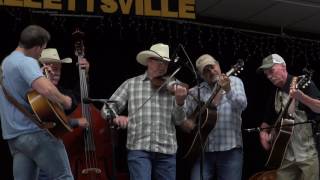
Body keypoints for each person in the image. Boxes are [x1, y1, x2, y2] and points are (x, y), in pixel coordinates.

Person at [0, 25, 83, 180]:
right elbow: (46, 90)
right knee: (63, 177)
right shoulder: (26, 62)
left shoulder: (6, 63)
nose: (40, 54)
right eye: (42, 49)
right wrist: (65, 100)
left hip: (15, 137)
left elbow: (26, 95)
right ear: (38, 46)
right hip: (36, 133)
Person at [101, 43, 188, 180]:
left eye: (165, 62)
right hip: (139, 149)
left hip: (166, 151)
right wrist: (116, 117)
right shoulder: (131, 84)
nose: (162, 65)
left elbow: (179, 120)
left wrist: (180, 102)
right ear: (149, 61)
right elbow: (107, 107)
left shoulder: (174, 85)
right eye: (158, 61)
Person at [182, 54, 247, 180]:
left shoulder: (234, 82)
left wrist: (228, 90)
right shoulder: (196, 91)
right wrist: (187, 122)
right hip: (203, 150)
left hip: (230, 149)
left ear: (218, 65)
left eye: (212, 67)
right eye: (206, 70)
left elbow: (242, 105)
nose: (211, 71)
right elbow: (181, 116)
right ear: (201, 75)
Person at [257, 53, 320, 180]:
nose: (269, 76)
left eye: (271, 71)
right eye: (266, 74)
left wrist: (302, 97)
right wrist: (263, 133)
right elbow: (267, 121)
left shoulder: (304, 84)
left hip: (308, 152)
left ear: (283, 67)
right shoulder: (274, 92)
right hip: (285, 154)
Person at [37, 48, 90, 180]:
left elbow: (76, 98)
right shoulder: (33, 91)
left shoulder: (59, 92)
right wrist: (76, 122)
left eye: (58, 69)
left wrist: (85, 74)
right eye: (51, 69)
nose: (55, 73)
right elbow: (48, 123)